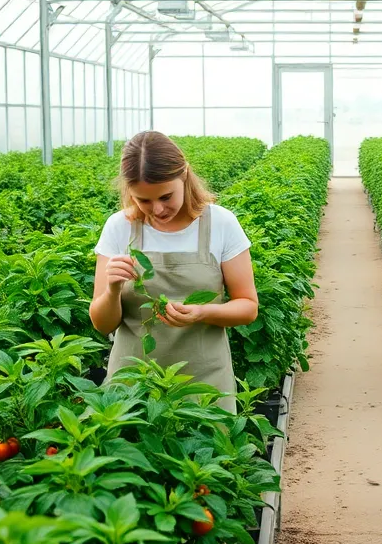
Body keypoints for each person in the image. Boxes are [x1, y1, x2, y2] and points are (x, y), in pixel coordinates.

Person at [90, 131, 259, 413]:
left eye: (166, 196)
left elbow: (248, 307)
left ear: (184, 176)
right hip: (132, 388)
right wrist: (113, 289)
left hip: (204, 387)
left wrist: (202, 312)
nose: (157, 209)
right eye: (143, 200)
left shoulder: (220, 224)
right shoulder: (119, 228)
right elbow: (102, 324)